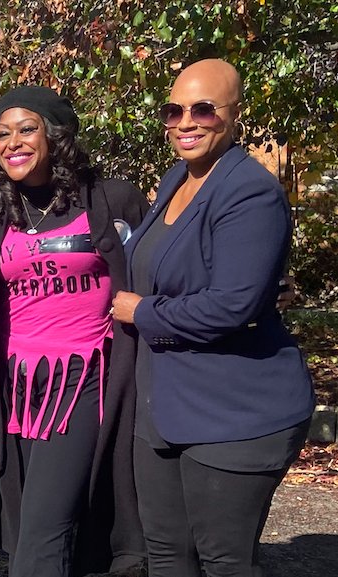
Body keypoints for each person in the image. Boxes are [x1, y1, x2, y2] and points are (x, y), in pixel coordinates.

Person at [111, 58, 314, 577]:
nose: (185, 122)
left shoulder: (249, 191)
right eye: (173, 110)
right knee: (165, 558)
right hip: (163, 408)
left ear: (235, 114)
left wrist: (143, 310)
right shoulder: (177, 177)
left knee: (224, 562)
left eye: (203, 109)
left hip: (233, 410)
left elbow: (232, 304)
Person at [0, 86, 148, 577]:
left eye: (26, 129)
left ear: (56, 135)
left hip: (83, 379)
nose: (12, 143)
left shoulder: (112, 199)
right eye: (2, 134)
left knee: (44, 533)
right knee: (25, 525)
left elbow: (162, 261)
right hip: (17, 387)